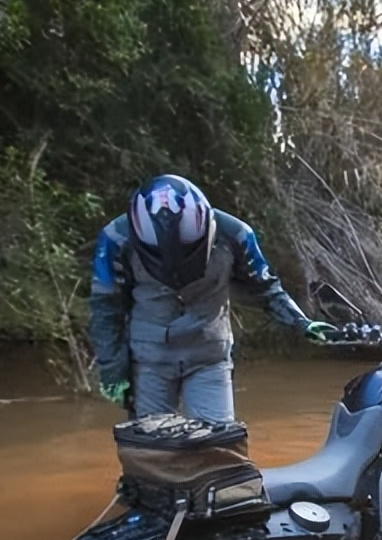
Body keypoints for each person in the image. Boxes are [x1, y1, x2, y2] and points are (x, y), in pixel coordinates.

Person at [88, 174, 333, 424]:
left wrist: (302, 323)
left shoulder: (236, 235)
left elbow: (265, 289)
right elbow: (107, 309)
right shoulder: (115, 239)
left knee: (219, 447)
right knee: (152, 450)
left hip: (208, 356)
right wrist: (112, 370)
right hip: (149, 359)